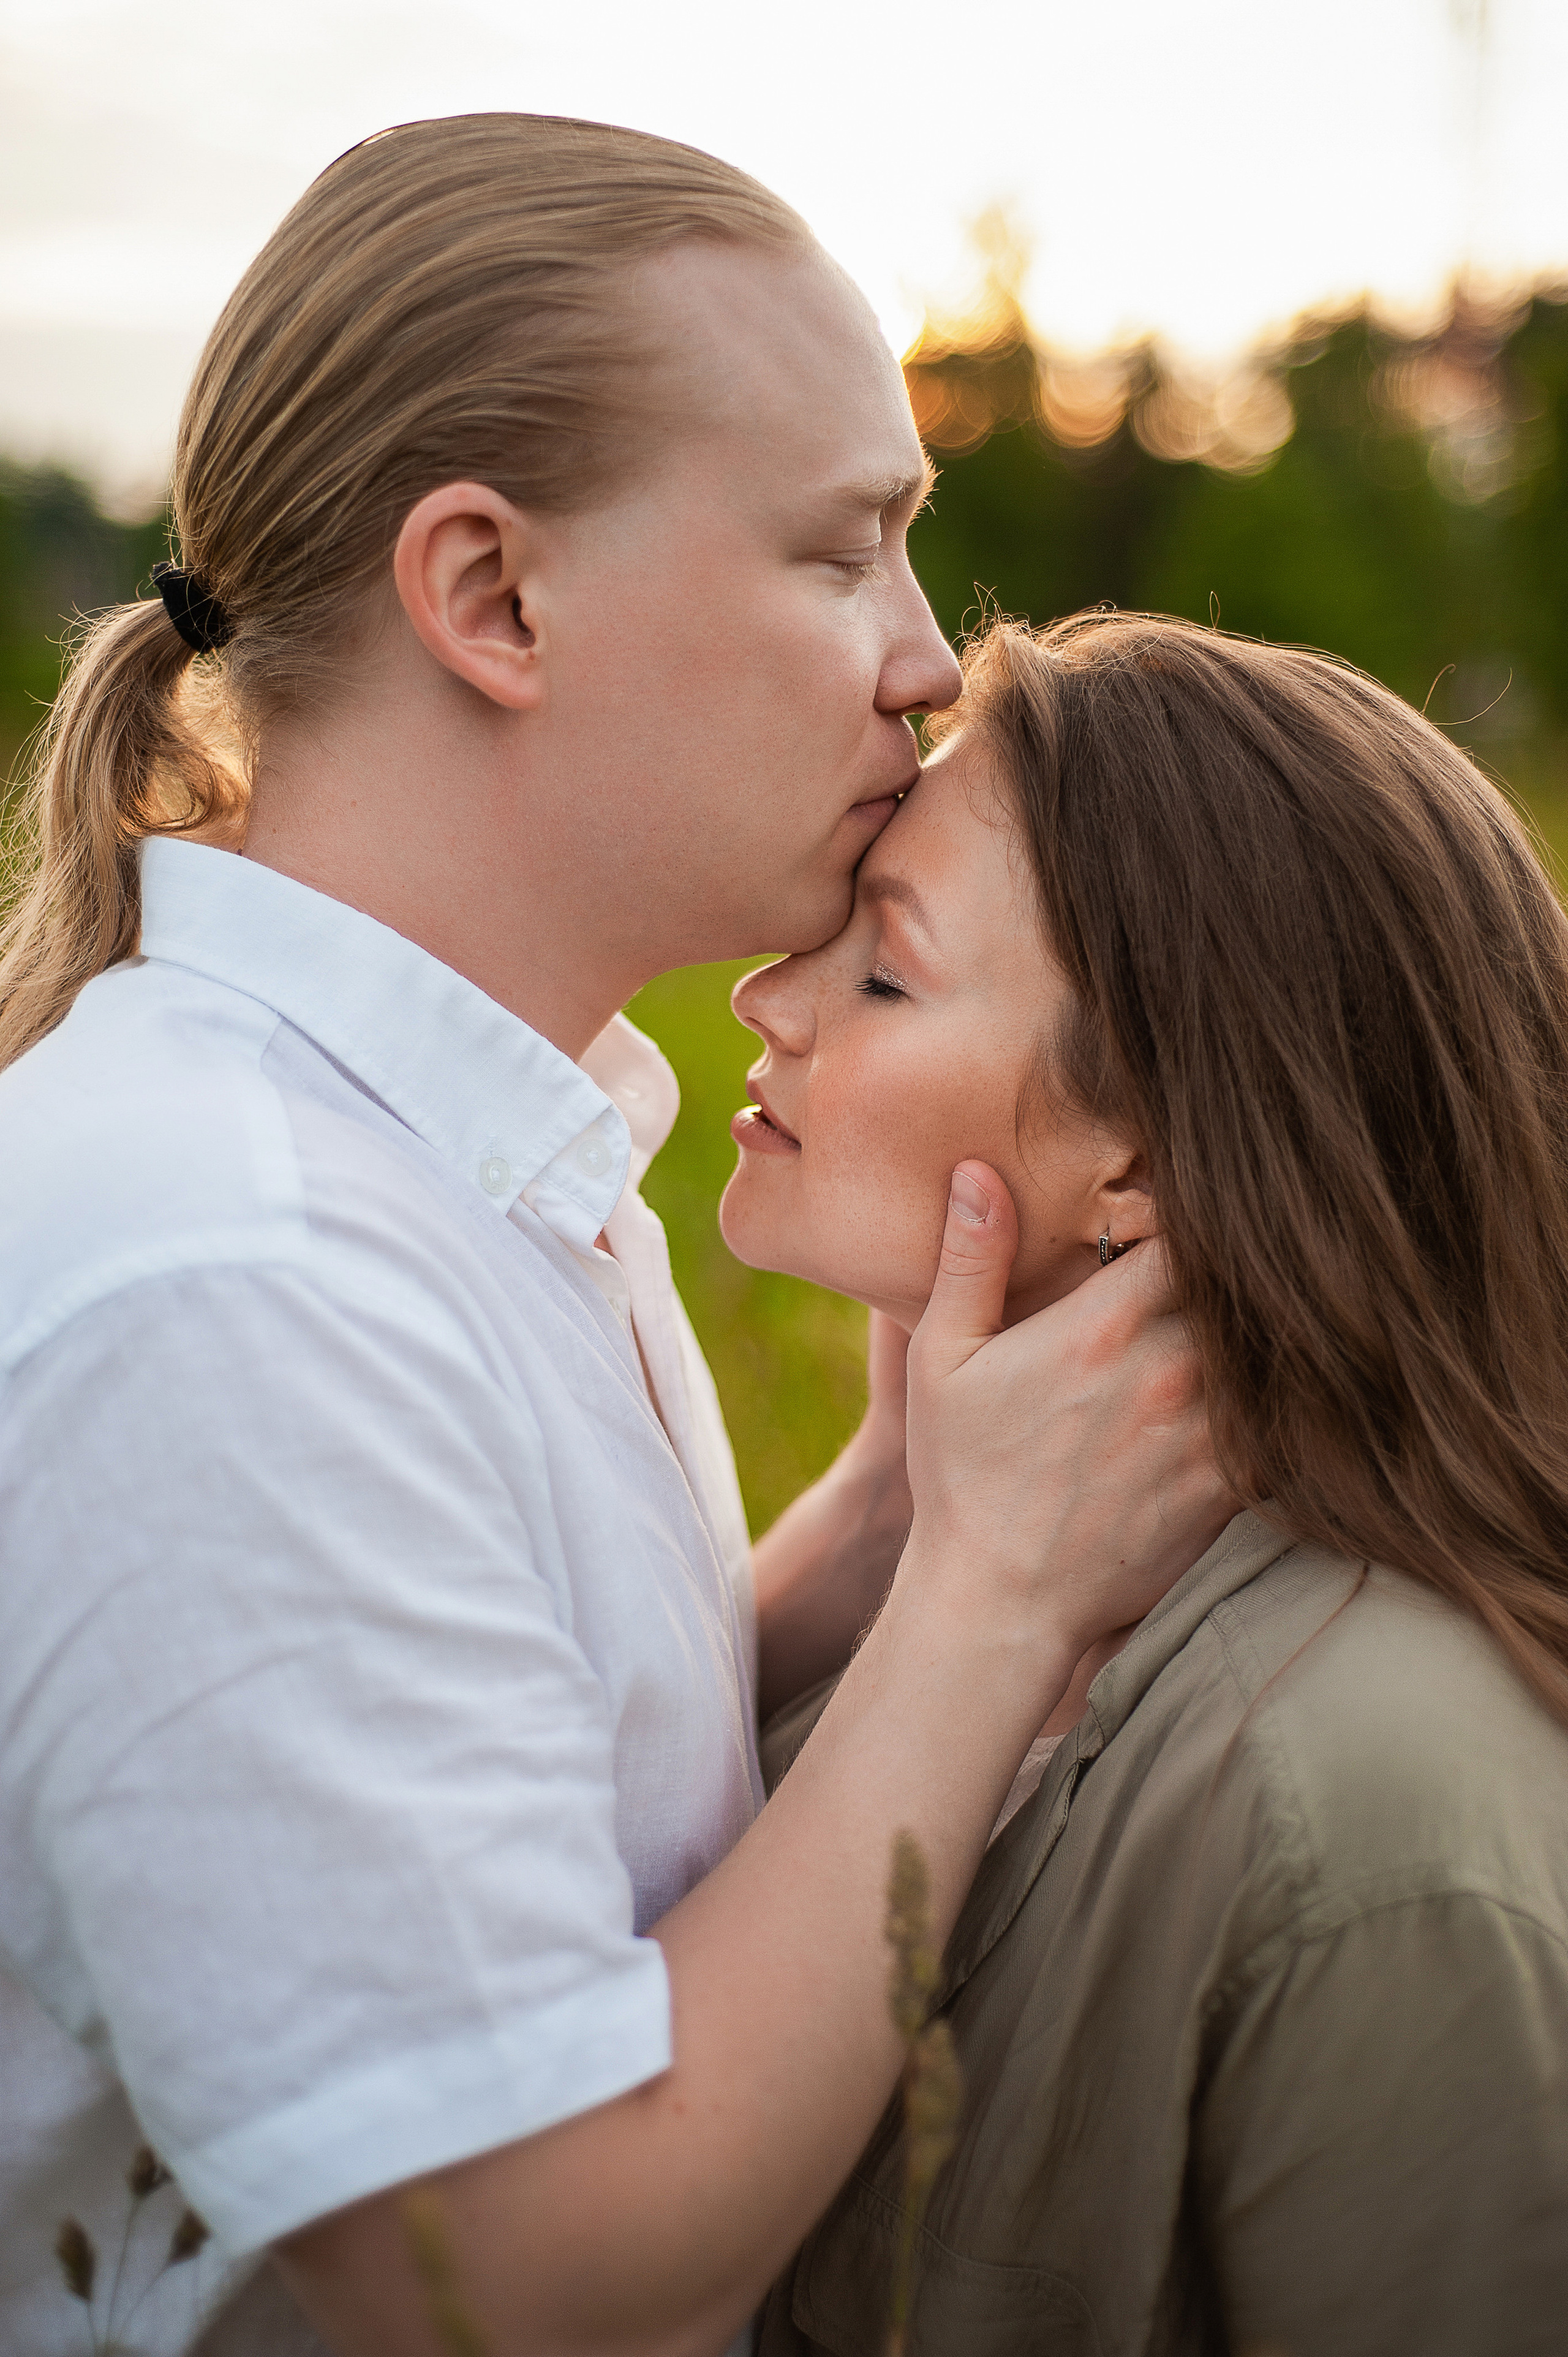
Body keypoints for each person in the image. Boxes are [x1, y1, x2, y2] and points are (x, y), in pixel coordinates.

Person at [0, 119, 1229, 2357]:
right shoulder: (235, 1276)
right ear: (492, 600)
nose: (928, 666)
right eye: (842, 553)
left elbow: (489, 1805)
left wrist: (868, 1536)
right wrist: (988, 1600)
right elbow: (518, 2271)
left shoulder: (445, 1163)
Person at [728, 607, 1568, 2357]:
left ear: (1147, 1159)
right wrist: (890, 1521)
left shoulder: (1376, 1803)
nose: (768, 998)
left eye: (881, 967)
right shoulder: (926, 1609)